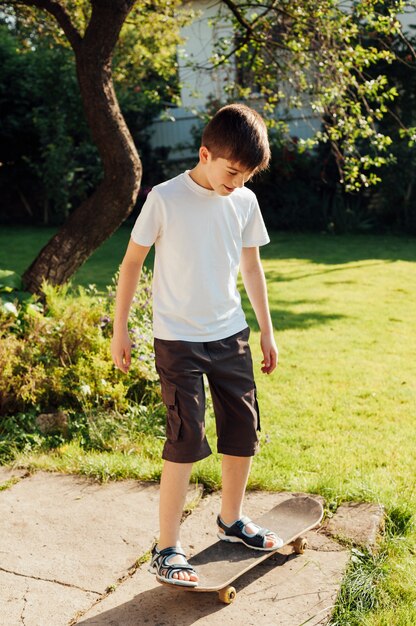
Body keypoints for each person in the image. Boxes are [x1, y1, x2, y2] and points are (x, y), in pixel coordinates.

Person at [111, 103, 281, 588]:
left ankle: (231, 520)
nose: (238, 183)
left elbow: (251, 267)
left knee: (244, 427)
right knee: (185, 438)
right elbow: (130, 265)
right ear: (205, 154)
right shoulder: (165, 199)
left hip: (229, 333)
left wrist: (266, 328)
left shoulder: (244, 202)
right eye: (232, 171)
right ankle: (167, 547)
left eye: (247, 176)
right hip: (178, 339)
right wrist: (120, 329)